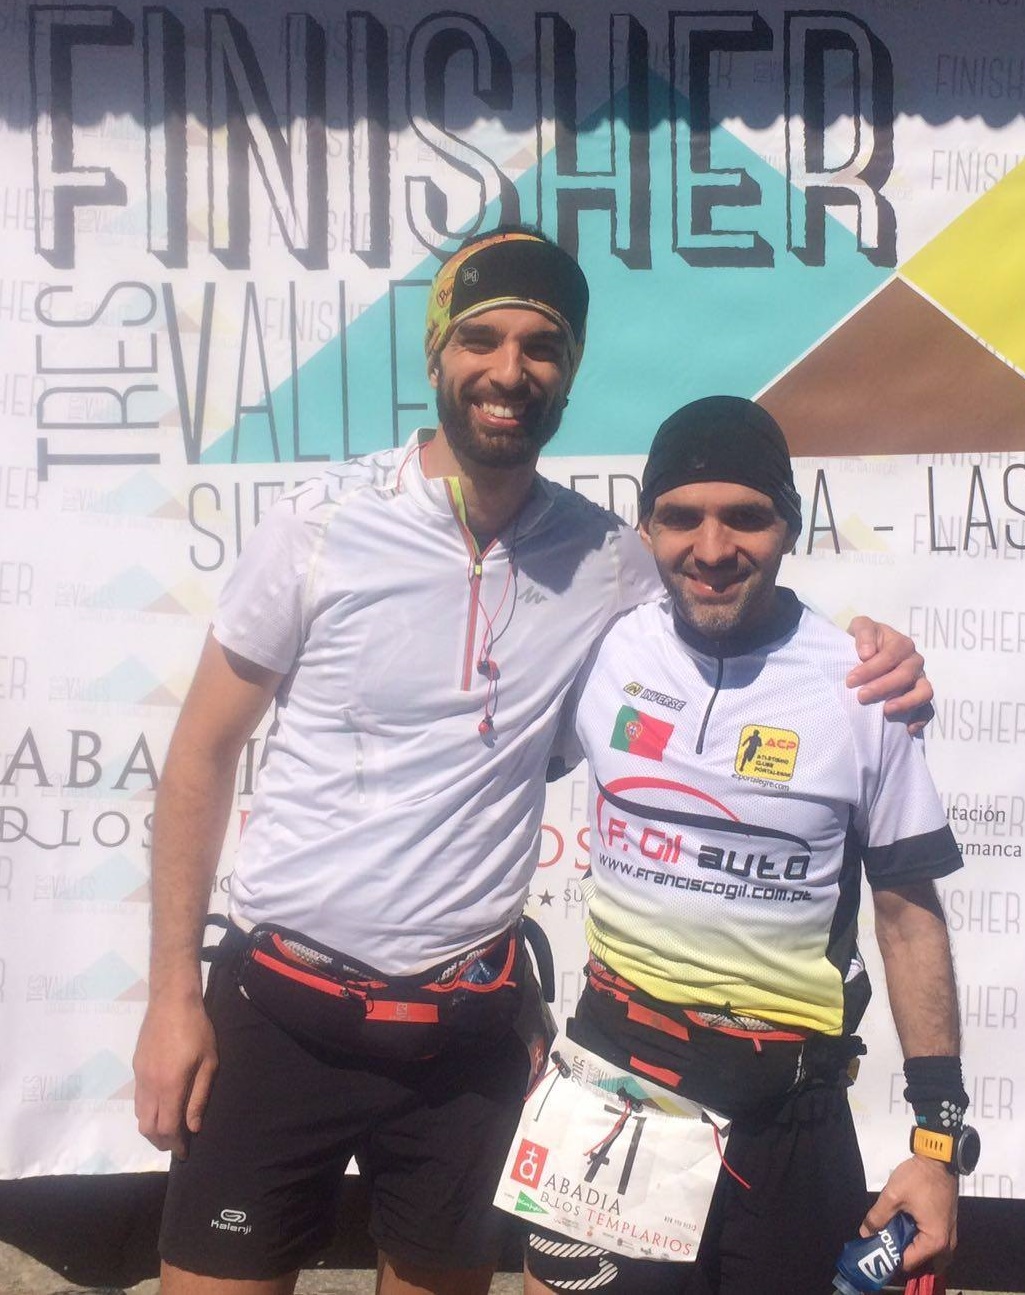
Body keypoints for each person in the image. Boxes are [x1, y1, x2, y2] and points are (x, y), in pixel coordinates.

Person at [132, 229, 931, 1295]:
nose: (509, 370)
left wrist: (869, 650)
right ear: (435, 352)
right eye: (481, 338)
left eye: (541, 346)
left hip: (463, 1048)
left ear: (569, 371)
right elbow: (199, 757)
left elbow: (730, 596)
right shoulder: (317, 525)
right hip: (279, 1016)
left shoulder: (605, 559)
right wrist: (169, 995)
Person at [521, 397, 974, 1295]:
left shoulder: (861, 685)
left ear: (790, 526)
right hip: (613, 1085)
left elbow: (907, 918)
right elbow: (472, 786)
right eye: (681, 517)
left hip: (788, 1116)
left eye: (746, 516)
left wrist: (936, 1142)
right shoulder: (599, 651)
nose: (712, 547)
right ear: (646, 527)